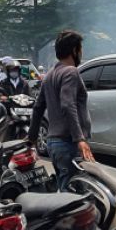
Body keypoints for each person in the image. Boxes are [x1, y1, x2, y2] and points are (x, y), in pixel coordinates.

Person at [29, 29, 94, 189]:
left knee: (65, 189)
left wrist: (32, 137)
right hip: (68, 144)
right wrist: (80, 139)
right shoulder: (71, 72)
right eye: (80, 49)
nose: (81, 53)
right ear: (74, 50)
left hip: (54, 145)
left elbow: (38, 108)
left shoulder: (50, 75)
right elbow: (67, 104)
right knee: (74, 199)